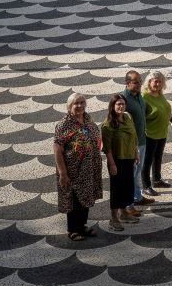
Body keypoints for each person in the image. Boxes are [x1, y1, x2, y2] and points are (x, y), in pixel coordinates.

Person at [54, 93, 102, 241]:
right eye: (76, 103)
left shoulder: (88, 119)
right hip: (73, 170)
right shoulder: (64, 125)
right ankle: (73, 229)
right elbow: (57, 148)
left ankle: (82, 226)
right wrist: (62, 172)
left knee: (86, 196)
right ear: (69, 106)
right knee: (74, 199)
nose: (79, 106)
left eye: (82, 102)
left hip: (88, 168)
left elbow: (96, 137)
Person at [101, 94, 139, 232]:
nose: (121, 107)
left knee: (127, 186)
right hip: (117, 160)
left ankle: (124, 213)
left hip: (129, 158)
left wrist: (136, 152)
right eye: (118, 104)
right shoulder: (107, 125)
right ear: (112, 106)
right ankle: (114, 218)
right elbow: (107, 147)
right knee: (116, 189)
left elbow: (133, 136)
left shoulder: (128, 118)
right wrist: (111, 164)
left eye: (123, 104)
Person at [120, 71, 150, 207]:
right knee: (130, 173)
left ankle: (137, 197)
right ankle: (128, 204)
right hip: (131, 144)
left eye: (140, 81)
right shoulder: (122, 99)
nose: (139, 84)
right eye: (136, 82)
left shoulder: (139, 96)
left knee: (138, 171)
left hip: (142, 140)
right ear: (127, 84)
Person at [140, 72, 171, 197]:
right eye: (155, 81)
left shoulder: (160, 95)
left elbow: (163, 109)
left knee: (158, 158)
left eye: (160, 82)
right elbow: (141, 117)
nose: (158, 84)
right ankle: (146, 186)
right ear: (149, 82)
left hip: (162, 132)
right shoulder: (144, 97)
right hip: (150, 133)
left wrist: (171, 118)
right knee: (147, 161)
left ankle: (157, 180)